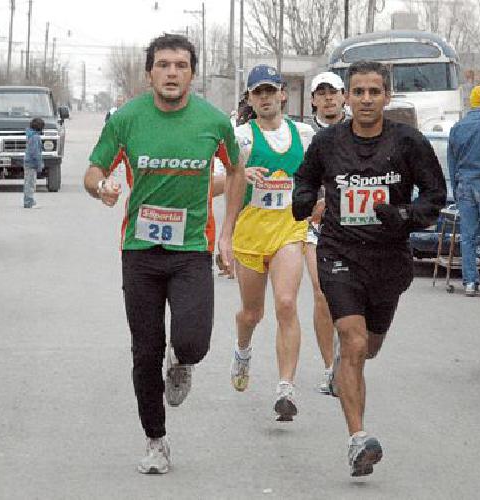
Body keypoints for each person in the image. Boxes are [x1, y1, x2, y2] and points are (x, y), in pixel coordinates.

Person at [84, 33, 242, 475]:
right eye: (164, 65)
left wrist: (226, 234)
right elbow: (93, 169)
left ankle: (184, 361)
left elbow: (236, 172)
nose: (172, 73)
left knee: (193, 341)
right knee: (144, 351)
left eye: (181, 65)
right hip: (139, 251)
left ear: (192, 73)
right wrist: (103, 187)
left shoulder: (214, 121)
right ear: (150, 71)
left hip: (191, 248)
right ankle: (155, 440)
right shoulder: (128, 119)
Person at [292, 60, 447, 477]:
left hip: (388, 260)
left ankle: (344, 365)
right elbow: (304, 179)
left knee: (368, 348)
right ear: (346, 96)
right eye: (357, 92)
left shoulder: (409, 142)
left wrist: (405, 216)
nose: (365, 99)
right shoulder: (327, 143)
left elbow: (435, 195)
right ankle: (358, 440)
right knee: (354, 342)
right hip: (339, 253)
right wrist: (303, 200)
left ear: (387, 97)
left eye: (373, 92)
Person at [218, 64, 316, 422]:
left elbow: (317, 176)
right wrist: (225, 235)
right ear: (249, 98)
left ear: (282, 94)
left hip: (289, 228)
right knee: (252, 313)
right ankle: (242, 349)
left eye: (269, 91)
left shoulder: (304, 134)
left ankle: (285, 388)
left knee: (287, 303)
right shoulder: (241, 137)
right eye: (257, 92)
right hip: (250, 232)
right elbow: (221, 182)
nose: (264, 98)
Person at [303, 71, 350, 394]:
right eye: (321, 93)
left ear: (343, 95)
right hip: (314, 227)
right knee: (321, 294)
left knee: (351, 299)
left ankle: (348, 358)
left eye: (333, 92)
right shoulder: (304, 135)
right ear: (313, 101)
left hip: (356, 228)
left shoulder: (359, 130)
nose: (328, 98)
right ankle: (330, 368)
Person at [449, 85, 480, 297]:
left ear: (471, 102)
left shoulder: (458, 127)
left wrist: (456, 191)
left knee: (467, 236)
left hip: (465, 185)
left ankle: (469, 282)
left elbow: (452, 163)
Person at [22, 117, 45, 209]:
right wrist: (39, 165)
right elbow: (36, 153)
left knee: (28, 182)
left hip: (28, 162)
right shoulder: (35, 137)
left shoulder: (30, 135)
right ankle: (29, 201)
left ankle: (28, 200)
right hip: (32, 163)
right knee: (30, 183)